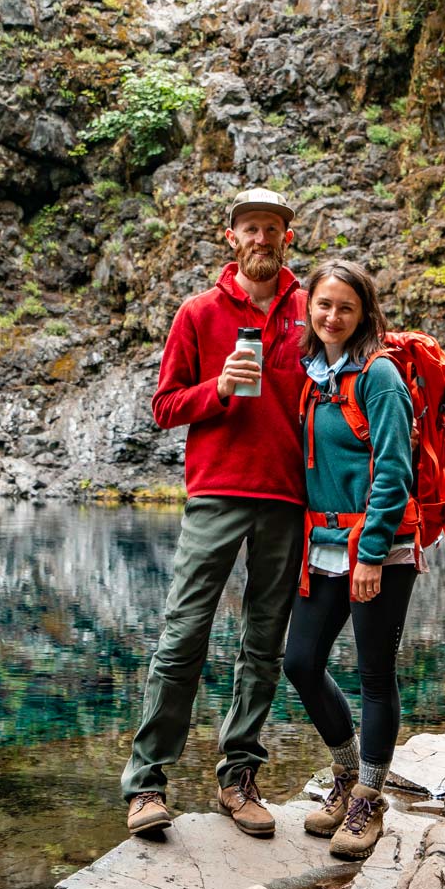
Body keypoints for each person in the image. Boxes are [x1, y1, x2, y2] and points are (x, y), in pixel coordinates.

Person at [121, 187, 309, 840]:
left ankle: (238, 777)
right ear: (232, 237)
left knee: (263, 646)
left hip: (288, 497)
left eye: (272, 228)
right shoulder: (198, 313)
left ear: (288, 235)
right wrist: (219, 388)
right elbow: (165, 406)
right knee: (184, 635)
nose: (262, 238)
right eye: (250, 228)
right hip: (218, 492)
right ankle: (146, 784)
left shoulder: (309, 311)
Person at [282, 259, 419, 861]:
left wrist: (370, 554)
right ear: (308, 309)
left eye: (345, 307)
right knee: (301, 662)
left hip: (379, 549)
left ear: (364, 313)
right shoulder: (313, 374)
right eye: (322, 305)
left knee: (373, 675)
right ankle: (344, 775)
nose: (331, 316)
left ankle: (369, 797)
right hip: (324, 545)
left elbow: (395, 471)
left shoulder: (379, 375)